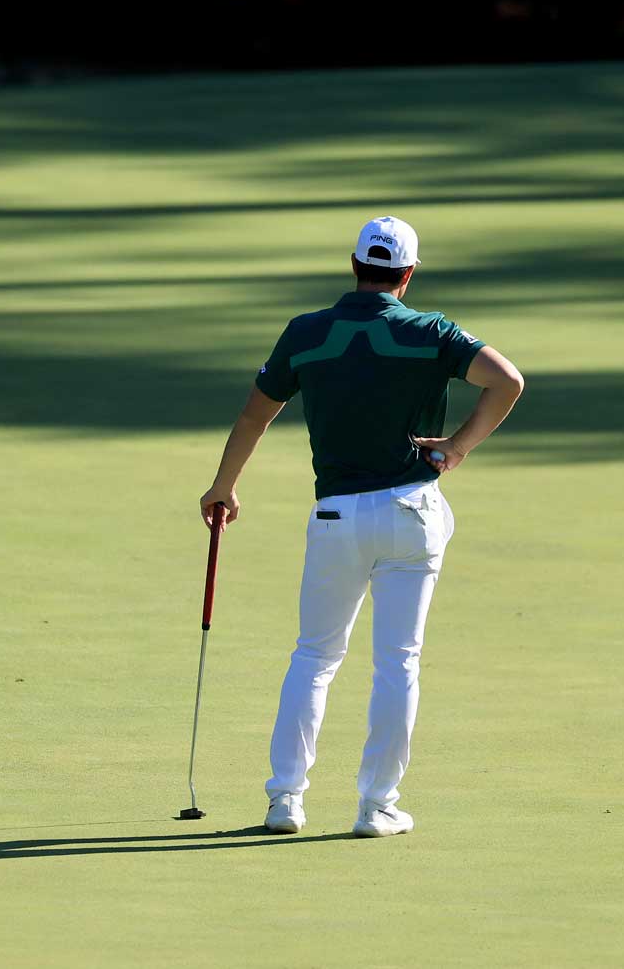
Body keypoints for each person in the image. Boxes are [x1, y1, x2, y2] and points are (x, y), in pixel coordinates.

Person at [197, 215, 525, 838]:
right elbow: (508, 382)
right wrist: (457, 447)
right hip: (412, 512)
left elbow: (254, 415)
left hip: (336, 516)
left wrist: (224, 486)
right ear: (406, 275)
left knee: (314, 656)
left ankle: (284, 801)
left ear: (354, 267)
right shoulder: (431, 332)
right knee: (397, 662)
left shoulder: (305, 333)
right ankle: (377, 807)